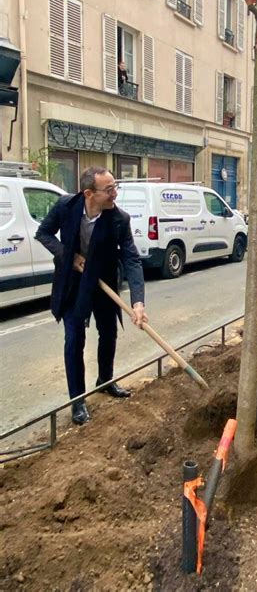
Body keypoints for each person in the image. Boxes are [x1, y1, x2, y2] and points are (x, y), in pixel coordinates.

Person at [36, 167, 148, 425]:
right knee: (74, 339)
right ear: (89, 193)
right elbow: (44, 233)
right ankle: (77, 401)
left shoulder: (119, 218)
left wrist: (138, 302)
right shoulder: (66, 206)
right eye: (109, 190)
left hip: (104, 281)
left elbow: (131, 258)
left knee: (108, 333)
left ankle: (105, 381)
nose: (115, 194)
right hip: (73, 283)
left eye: (115, 187)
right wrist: (69, 256)